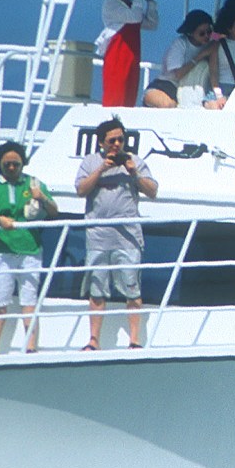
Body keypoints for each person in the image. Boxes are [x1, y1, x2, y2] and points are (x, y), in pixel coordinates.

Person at [74, 115, 157, 350]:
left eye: (121, 139)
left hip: (128, 238)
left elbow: (153, 191)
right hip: (98, 238)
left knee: (132, 290)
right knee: (97, 290)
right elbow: (81, 190)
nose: (117, 145)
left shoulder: (135, 161)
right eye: (112, 141)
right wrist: (102, 168)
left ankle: (135, 340)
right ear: (102, 143)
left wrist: (134, 174)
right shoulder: (90, 162)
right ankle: (94, 340)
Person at [0, 140, 58, 354]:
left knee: (29, 299)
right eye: (7, 164)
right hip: (2, 251)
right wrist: (0, 220)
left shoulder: (34, 183)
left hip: (31, 250)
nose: (12, 168)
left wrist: (43, 198)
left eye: (16, 164)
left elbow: (54, 211)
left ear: (22, 164)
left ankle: (30, 347)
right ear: (0, 164)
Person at [95, 0, 157, 108]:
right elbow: (134, 18)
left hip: (131, 55)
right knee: (116, 98)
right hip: (117, 55)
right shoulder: (111, 5)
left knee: (129, 98)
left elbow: (151, 24)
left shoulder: (131, 4)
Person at [143, 10, 222, 109]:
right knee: (168, 105)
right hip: (167, 85)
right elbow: (178, 74)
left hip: (189, 90)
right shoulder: (180, 45)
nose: (206, 36)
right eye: (202, 33)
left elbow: (222, 37)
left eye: (209, 32)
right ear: (191, 33)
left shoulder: (211, 38)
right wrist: (200, 56)